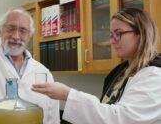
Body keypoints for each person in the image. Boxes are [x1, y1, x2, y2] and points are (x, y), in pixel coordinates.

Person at [32, 7, 161, 124]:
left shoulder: (154, 76)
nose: (111, 40)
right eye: (111, 35)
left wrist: (67, 94)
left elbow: (120, 119)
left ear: (141, 34)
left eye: (119, 33)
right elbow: (105, 111)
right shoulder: (120, 72)